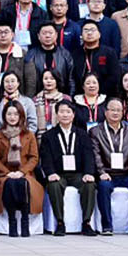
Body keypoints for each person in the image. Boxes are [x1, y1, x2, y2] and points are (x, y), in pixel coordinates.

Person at [39, 99, 96, 236]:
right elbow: (46, 158)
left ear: (73, 115)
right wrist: (50, 173)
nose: (65, 115)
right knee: (53, 185)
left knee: (89, 185)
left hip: (78, 173)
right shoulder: (48, 136)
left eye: (68, 112)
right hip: (59, 174)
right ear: (56, 114)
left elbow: (89, 155)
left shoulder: (82, 134)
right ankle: (60, 222)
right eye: (62, 112)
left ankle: (86, 223)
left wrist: (88, 173)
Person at [91, 98, 128, 235]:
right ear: (106, 112)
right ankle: (106, 226)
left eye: (118, 110)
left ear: (123, 112)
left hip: (127, 173)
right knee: (103, 187)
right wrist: (101, 172)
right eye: (112, 110)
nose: (115, 113)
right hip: (107, 174)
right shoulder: (96, 131)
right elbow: (96, 155)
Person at [0, 101, 41, 237]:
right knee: (10, 183)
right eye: (9, 114)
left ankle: (25, 221)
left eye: (15, 114)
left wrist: (21, 172)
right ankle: (12, 221)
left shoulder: (28, 135)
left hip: (25, 173)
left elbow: (34, 158)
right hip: (5, 173)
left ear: (21, 116)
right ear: (4, 116)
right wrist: (7, 173)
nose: (12, 117)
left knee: (22, 183)